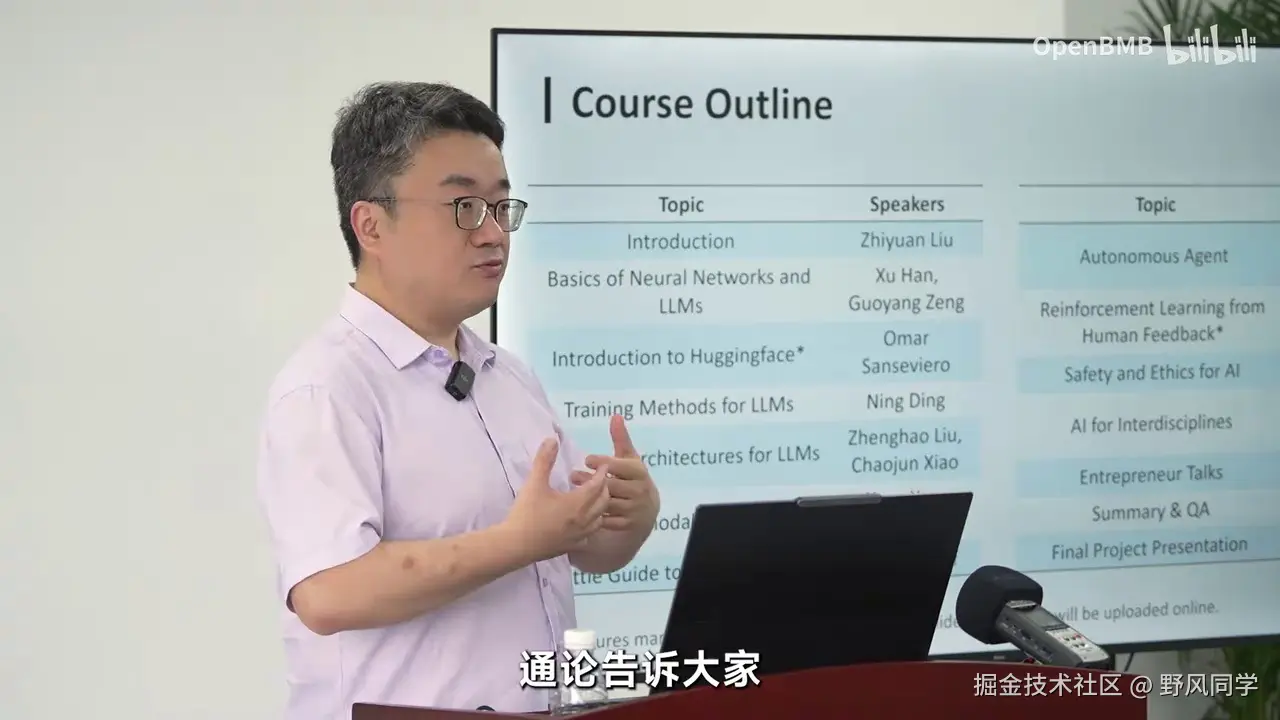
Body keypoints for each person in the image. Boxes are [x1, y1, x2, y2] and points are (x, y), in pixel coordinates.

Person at [256, 81, 660, 719]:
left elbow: (575, 546)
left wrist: (627, 520)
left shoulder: (508, 376)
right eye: (465, 206)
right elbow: (328, 593)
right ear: (371, 225)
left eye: (501, 206)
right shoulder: (327, 386)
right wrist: (515, 542)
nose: (493, 233)